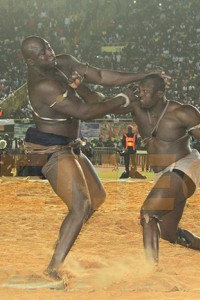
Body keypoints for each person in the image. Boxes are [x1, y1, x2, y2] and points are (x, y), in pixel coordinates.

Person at [20, 36, 169, 282]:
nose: (49, 53)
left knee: (96, 198)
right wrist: (122, 99)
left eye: (48, 47)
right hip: (50, 150)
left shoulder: (64, 62)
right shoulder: (42, 85)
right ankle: (53, 268)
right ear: (30, 61)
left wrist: (144, 75)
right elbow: (85, 112)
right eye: (42, 53)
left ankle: (66, 238)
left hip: (70, 146)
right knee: (80, 207)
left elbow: (101, 75)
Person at [118, 74, 200, 263]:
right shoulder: (136, 108)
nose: (141, 94)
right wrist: (78, 87)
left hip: (184, 165)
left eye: (146, 91)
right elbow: (98, 104)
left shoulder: (182, 112)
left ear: (160, 94)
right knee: (168, 233)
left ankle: (151, 271)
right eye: (140, 90)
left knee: (149, 214)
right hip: (164, 173)